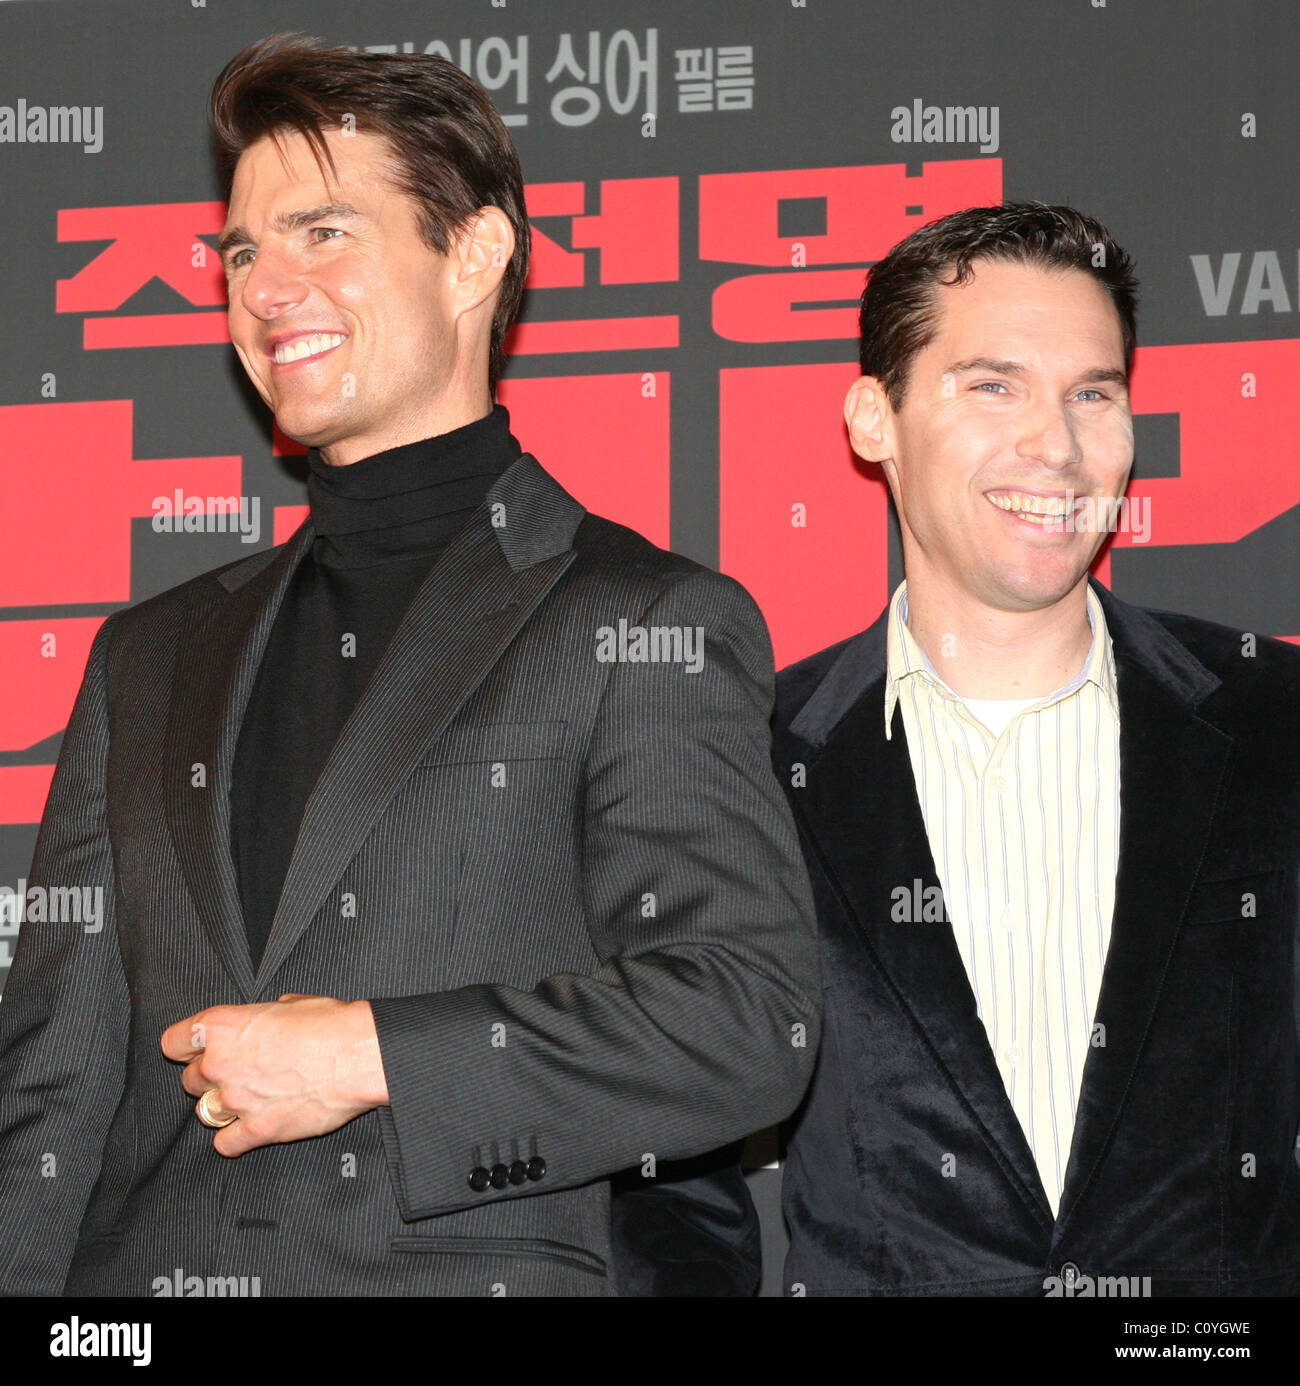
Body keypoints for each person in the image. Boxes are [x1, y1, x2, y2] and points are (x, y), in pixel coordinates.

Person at [0, 33, 820, 1297]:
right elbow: (52, 1089)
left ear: (475, 255)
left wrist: (373, 1054)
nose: (267, 286)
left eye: (324, 233)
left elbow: (743, 1019)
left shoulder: (642, 615)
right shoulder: (146, 657)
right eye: (240, 250)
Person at [774, 202, 1300, 1295]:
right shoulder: (749, 757)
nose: (1055, 447)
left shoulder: (1274, 719)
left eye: (1092, 394)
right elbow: (664, 1185)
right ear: (875, 419)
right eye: (992, 385)